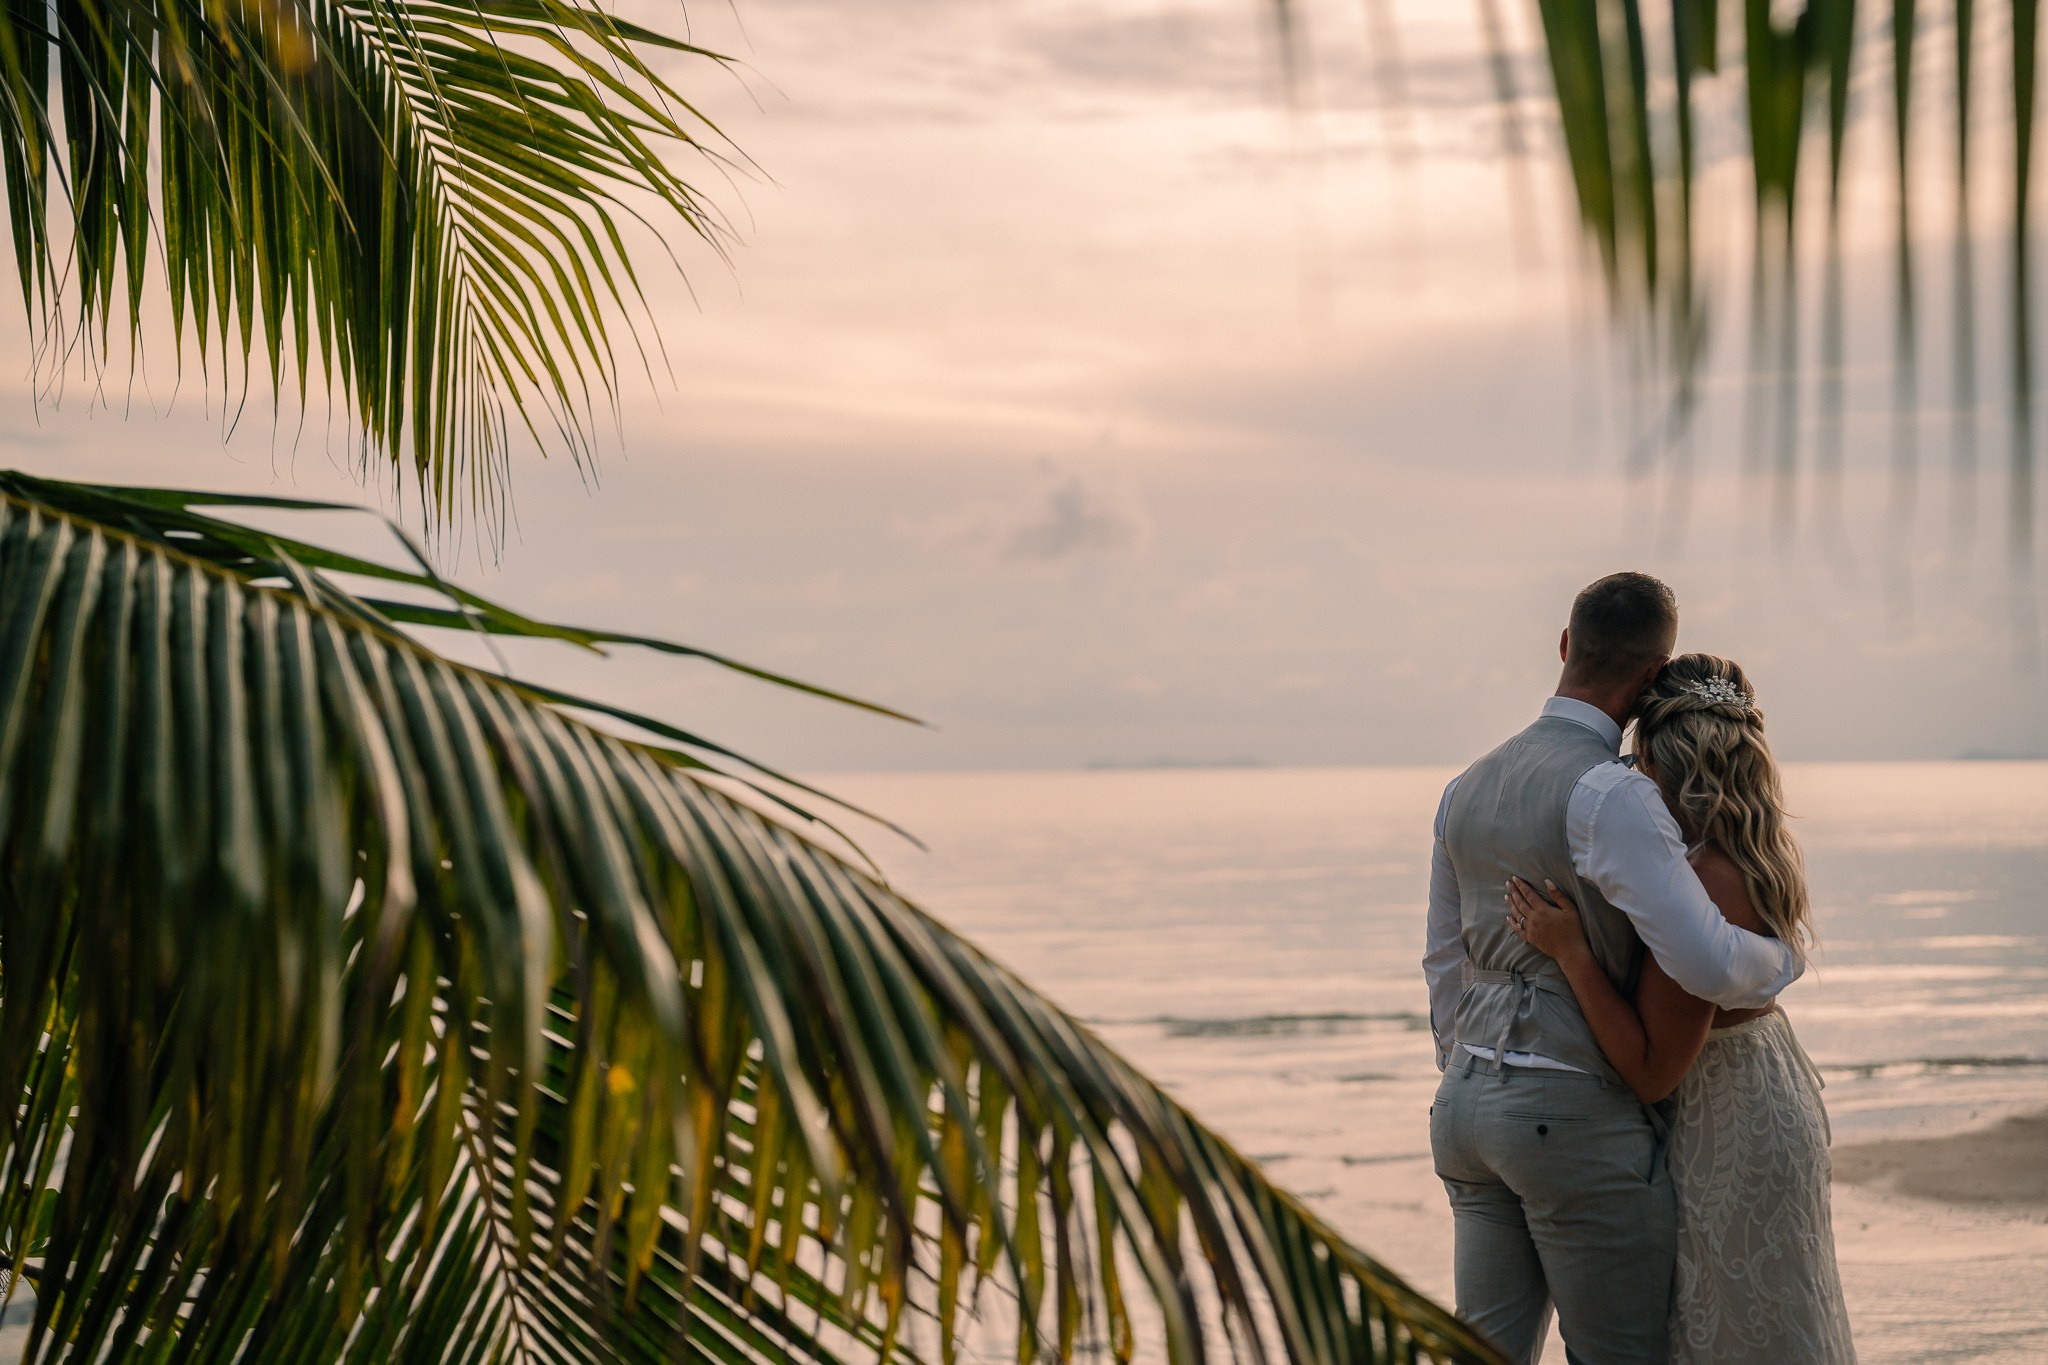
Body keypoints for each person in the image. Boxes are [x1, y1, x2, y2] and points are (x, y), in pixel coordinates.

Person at [1423, 572, 1802, 1364]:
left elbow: (1444, 961)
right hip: (1565, 1112)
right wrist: (1785, 957)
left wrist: (1472, 1071)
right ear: (1654, 672)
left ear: (1566, 643)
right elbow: (1705, 963)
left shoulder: (1465, 786)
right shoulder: (1613, 794)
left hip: (1464, 1107)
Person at [1505, 654, 1855, 1364]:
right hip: (1771, 1087)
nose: (1633, 774)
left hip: (1722, 1125)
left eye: (1640, 758)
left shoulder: (1699, 881)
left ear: (1669, 763)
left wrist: (1571, 951)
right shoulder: (1760, 855)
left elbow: (1651, 1070)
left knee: (1727, 1325)